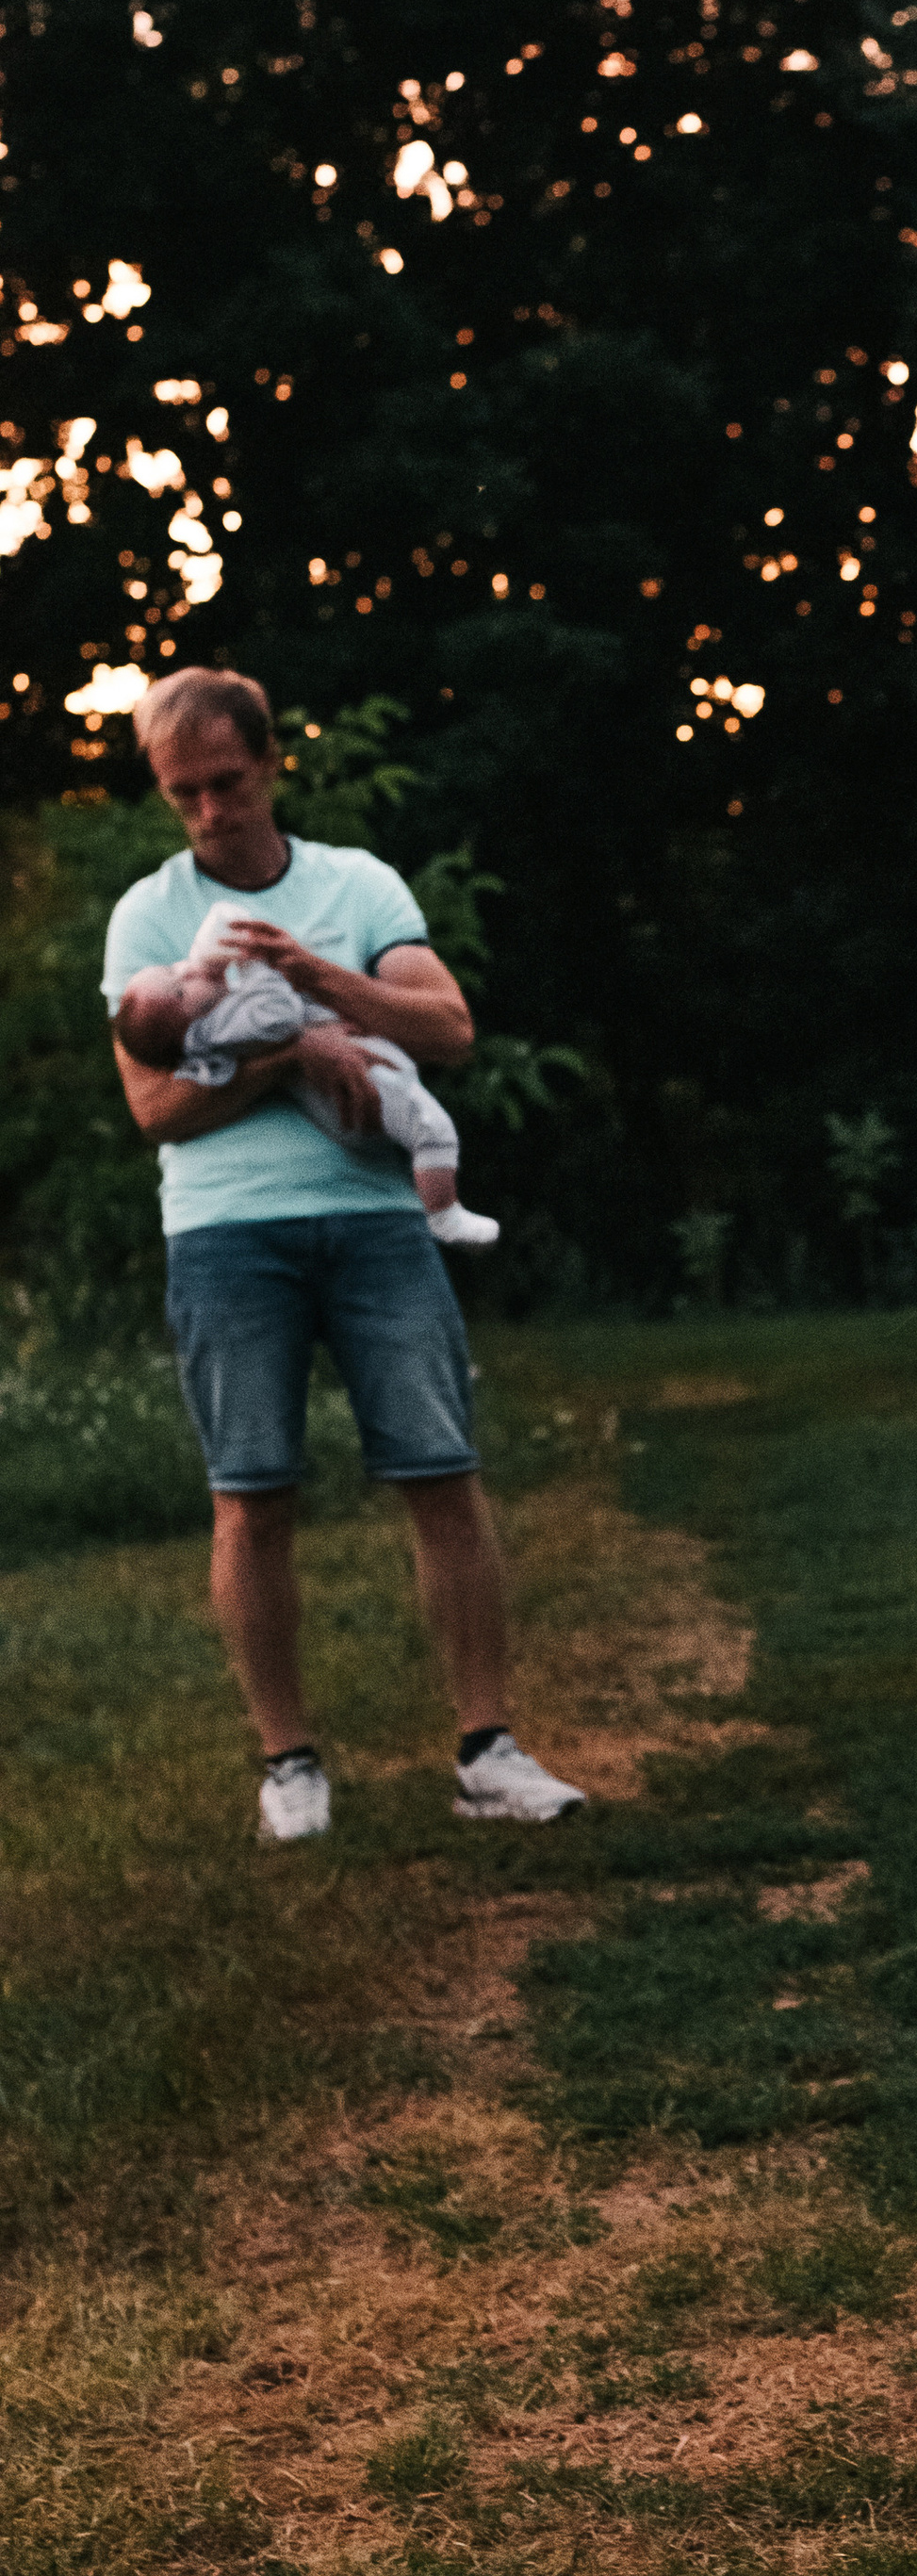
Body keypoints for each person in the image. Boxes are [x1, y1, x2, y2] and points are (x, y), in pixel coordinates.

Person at [101, 665, 583, 1845]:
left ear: (270, 765)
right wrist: (291, 1059)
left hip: (379, 1226)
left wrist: (318, 982)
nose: (211, 811)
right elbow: (156, 1109)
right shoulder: (148, 918)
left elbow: (451, 1030)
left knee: (441, 1477)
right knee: (249, 1500)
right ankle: (289, 1766)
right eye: (185, 795)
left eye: (226, 782)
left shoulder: (357, 885)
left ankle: (488, 1750)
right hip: (221, 1235)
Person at [113, 903, 500, 1250]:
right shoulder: (218, 1028)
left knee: (418, 1114)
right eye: (180, 988)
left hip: (352, 1091)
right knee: (432, 1128)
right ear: (189, 1032)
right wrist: (254, 966)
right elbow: (281, 1016)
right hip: (348, 1095)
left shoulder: (216, 1014)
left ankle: (439, 1204)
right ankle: (443, 1213)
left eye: (172, 969)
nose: (186, 968)